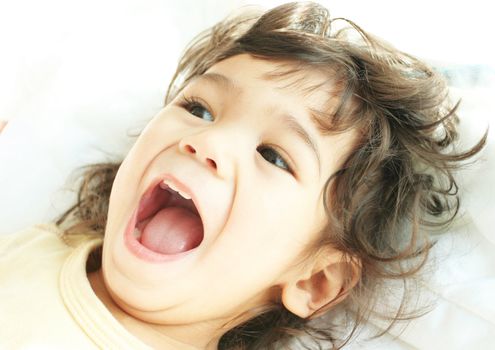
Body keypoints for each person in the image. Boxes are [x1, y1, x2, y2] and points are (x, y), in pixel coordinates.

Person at [0, 1, 487, 349]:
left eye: (274, 156)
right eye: (199, 108)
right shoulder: (33, 248)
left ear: (315, 282)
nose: (207, 141)